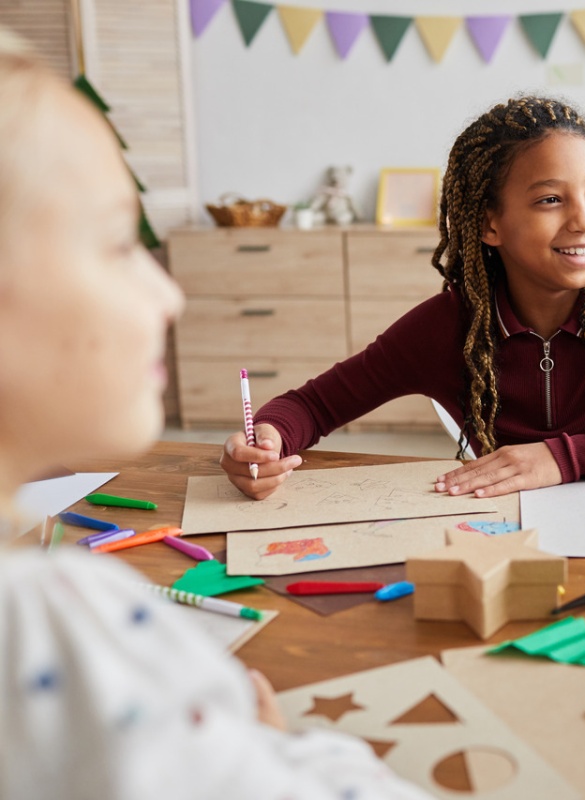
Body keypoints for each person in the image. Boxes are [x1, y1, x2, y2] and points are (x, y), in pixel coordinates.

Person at [0, 36, 429, 799]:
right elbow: (317, 401)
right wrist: (282, 750)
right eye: (116, 245)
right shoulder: (56, 625)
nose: (170, 296)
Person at [220, 96, 585, 500]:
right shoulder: (448, 326)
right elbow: (310, 406)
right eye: (550, 200)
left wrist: (565, 458)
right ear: (490, 225)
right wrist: (265, 442)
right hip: (503, 548)